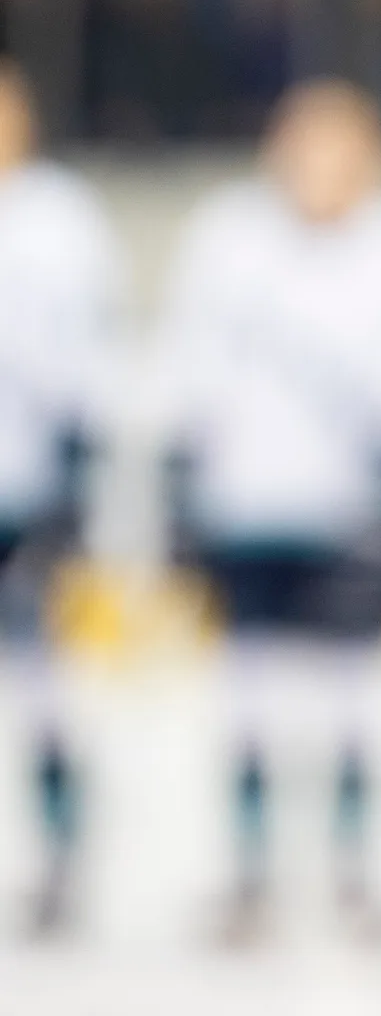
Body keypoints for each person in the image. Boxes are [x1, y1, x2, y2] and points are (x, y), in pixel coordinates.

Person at [153, 78, 381, 941]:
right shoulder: (231, 238)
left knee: (354, 698)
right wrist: (182, 477)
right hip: (246, 503)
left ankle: (355, 869)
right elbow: (194, 359)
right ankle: (252, 872)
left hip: (354, 509)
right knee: (247, 696)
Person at [0, 58, 120, 933]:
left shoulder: (58, 220)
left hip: (27, 486)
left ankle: (59, 854)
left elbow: (89, 352)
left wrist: (80, 465)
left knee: (43, 686)